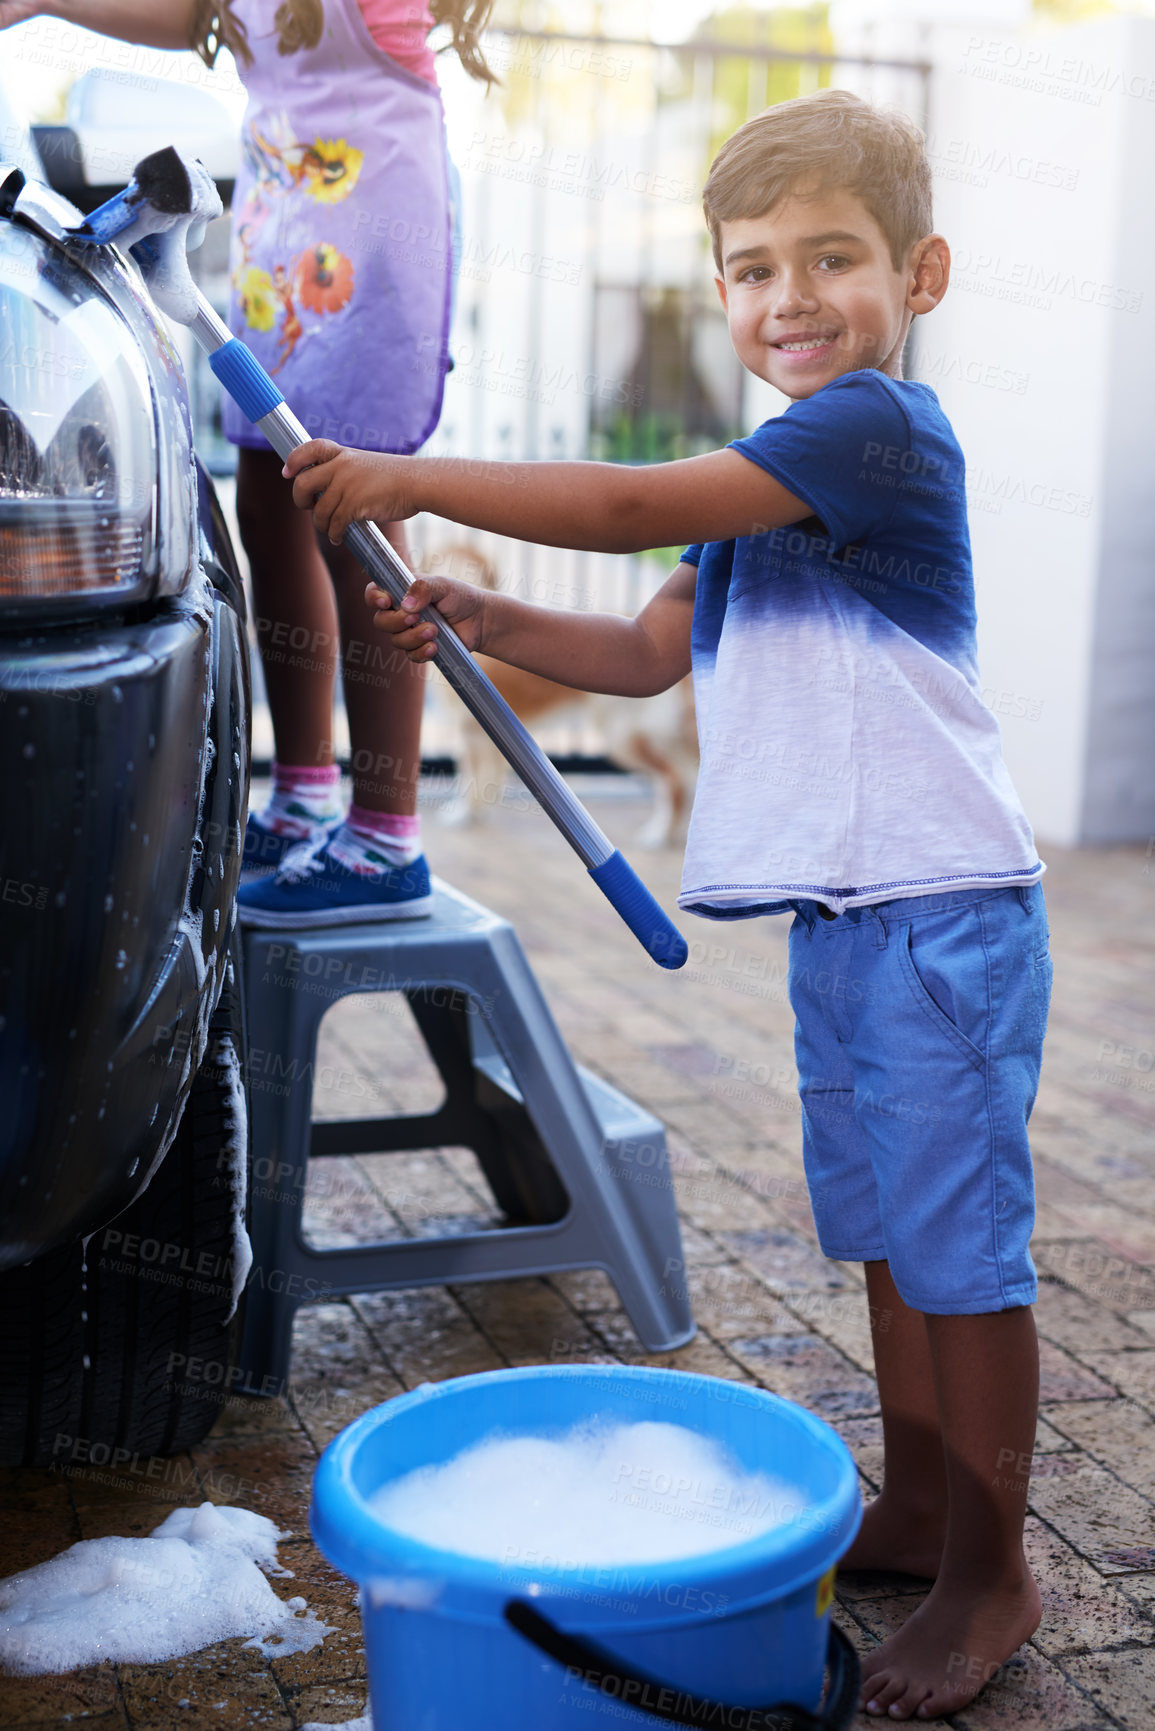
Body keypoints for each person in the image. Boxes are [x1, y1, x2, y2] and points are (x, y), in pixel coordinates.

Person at [277, 88, 1053, 1721]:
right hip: (853, 921)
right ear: (722, 294)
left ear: (921, 272)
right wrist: (483, 616)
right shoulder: (775, 494)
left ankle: (994, 1570)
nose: (793, 300)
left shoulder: (871, 436)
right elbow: (638, 648)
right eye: (756, 269)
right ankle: (919, 1504)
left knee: (960, 1249)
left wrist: (416, 475)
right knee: (890, 1234)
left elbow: (631, 502)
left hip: (942, 914)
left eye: (832, 258)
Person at [0, 0, 495, 926]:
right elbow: (194, 11)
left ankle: (386, 833)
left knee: (360, 508)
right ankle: (302, 792)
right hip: (281, 214)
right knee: (272, 503)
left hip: (378, 219)